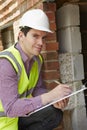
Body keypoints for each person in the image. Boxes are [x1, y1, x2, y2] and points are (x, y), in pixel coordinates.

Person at [0, 9, 72, 130]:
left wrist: (53, 99)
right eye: (35, 36)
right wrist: (48, 97)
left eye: (43, 38)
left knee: (53, 113)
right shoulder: (6, 63)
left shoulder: (37, 60)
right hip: (5, 122)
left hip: (21, 116)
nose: (41, 43)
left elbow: (37, 89)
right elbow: (11, 109)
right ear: (21, 35)